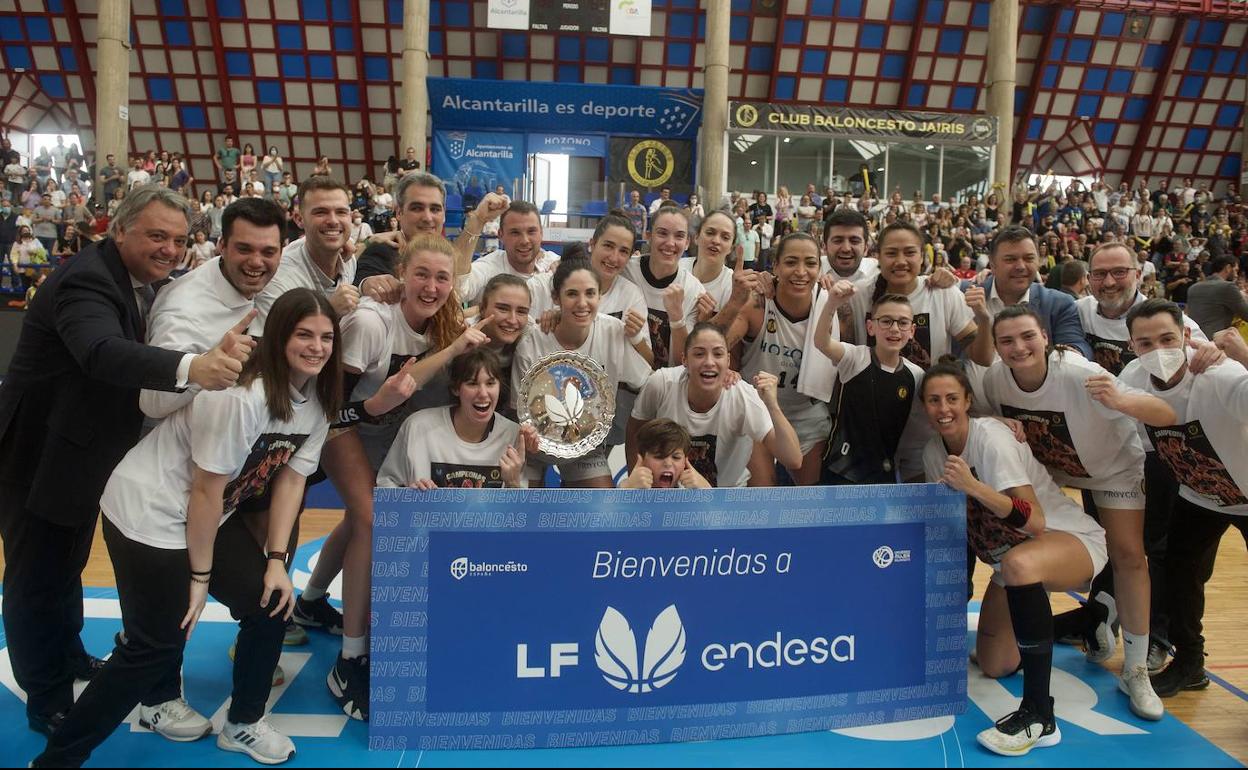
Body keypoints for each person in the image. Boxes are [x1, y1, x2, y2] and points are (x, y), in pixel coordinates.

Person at [31, 288, 341, 767]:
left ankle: (242, 725)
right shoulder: (241, 396)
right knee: (157, 643)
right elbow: (203, 491)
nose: (317, 346)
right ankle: (58, 758)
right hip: (149, 510)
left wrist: (277, 561)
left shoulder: (317, 400)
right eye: (304, 334)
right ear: (278, 336)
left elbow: (290, 483)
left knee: (271, 603)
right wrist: (199, 580)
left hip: (208, 513)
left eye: (325, 336)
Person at [0, 186, 254, 738]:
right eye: (156, 236)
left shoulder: (138, 281)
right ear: (119, 230)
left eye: (180, 240)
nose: (169, 249)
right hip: (40, 451)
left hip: (78, 448)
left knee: (64, 564)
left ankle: (65, 657)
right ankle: (44, 696)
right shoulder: (89, 279)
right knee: (35, 574)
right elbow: (99, 352)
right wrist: (194, 367)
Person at [295, 234, 474, 721]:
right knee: (372, 519)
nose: (432, 286)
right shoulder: (373, 322)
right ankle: (352, 656)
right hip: (335, 424)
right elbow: (330, 406)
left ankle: (310, 602)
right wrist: (375, 408)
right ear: (402, 271)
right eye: (422, 274)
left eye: (442, 278)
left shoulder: (441, 324)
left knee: (358, 519)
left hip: (374, 428)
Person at [982, 306, 1176, 720]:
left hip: (1111, 470)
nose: (1019, 347)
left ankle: (1136, 668)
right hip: (1054, 472)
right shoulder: (995, 377)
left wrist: (1122, 398)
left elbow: (1165, 414)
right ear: (996, 347)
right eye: (1007, 341)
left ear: (1046, 338)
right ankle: (1093, 616)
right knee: (1030, 539)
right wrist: (996, 418)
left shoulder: (1079, 373)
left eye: (1027, 337)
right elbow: (981, 415)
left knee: (1128, 556)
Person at [922, 357, 1106, 757]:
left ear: (968, 401)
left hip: (1067, 540)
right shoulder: (931, 454)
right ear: (924, 407)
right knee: (995, 663)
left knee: (1021, 564)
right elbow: (959, 531)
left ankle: (1040, 714)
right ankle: (1088, 619)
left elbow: (1035, 522)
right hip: (1010, 561)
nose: (944, 408)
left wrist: (974, 486)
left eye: (952, 398)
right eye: (934, 400)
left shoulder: (991, 439)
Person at [1119, 300, 1248, 698]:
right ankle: (1190, 662)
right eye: (1145, 343)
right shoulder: (1133, 378)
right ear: (1132, 346)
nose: (1157, 350)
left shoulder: (1220, 375)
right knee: (1179, 572)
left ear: (1187, 335)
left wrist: (1244, 354)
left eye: (1167, 339)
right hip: (1202, 494)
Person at [512, 259, 652, 488]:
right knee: (525, 509)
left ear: (600, 297)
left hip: (587, 449)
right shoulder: (532, 343)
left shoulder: (613, 332)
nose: (582, 303)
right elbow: (519, 411)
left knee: (599, 512)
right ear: (556, 298)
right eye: (572, 294)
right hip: (532, 448)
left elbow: (646, 380)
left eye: (590, 293)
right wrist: (528, 440)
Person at [714, 233, 832, 485]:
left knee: (807, 502)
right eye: (791, 262)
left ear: (820, 269)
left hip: (806, 413)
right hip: (758, 409)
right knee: (762, 493)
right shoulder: (756, 304)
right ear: (775, 266)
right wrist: (734, 302)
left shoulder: (833, 307)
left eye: (810, 263)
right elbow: (713, 344)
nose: (801, 271)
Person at [627, 322, 802, 486]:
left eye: (717, 354)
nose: (709, 362)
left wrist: (772, 405)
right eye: (699, 354)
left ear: (727, 360)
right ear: (684, 360)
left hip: (725, 499)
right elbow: (635, 432)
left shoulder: (743, 395)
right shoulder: (662, 384)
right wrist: (636, 482)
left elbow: (793, 459)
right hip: (667, 496)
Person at [377, 348, 536, 488]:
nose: (483, 393)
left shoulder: (512, 434)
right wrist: (409, 495)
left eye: (490, 383)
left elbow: (519, 517)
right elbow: (386, 485)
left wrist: (513, 483)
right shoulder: (418, 426)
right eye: (472, 384)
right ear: (455, 388)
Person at [815, 285, 926, 485]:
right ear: (870, 327)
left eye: (902, 323)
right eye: (885, 321)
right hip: (840, 468)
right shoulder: (855, 358)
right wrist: (832, 303)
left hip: (883, 473)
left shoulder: (916, 376)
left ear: (912, 331)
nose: (894, 328)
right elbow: (821, 342)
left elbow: (914, 433)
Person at [969, 225, 1091, 358]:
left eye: (1029, 258)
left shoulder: (1059, 304)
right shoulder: (965, 294)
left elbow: (1077, 344)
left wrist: (1071, 354)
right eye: (1010, 259)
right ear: (992, 264)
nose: (1021, 266)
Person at [622, 207, 710, 368]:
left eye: (679, 236)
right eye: (662, 233)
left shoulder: (693, 290)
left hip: (664, 387)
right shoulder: (625, 270)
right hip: (620, 383)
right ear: (648, 236)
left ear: (687, 242)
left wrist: (677, 318)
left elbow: (681, 362)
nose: (670, 243)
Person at [619, 419, 711, 489]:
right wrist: (627, 489)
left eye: (676, 457)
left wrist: (708, 491)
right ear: (642, 459)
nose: (668, 463)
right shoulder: (628, 486)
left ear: (685, 462)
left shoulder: (694, 490)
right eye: (659, 456)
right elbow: (609, 511)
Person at [680, 209, 736, 311]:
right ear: (696, 237)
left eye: (725, 237)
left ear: (731, 248)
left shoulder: (732, 286)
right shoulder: (677, 268)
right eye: (710, 233)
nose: (716, 241)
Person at [1184, 256, 1248, 337]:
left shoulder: (1193, 288)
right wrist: (1244, 297)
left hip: (1193, 339)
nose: (1236, 275)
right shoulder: (1228, 287)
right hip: (1216, 342)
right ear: (1228, 268)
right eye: (1236, 270)